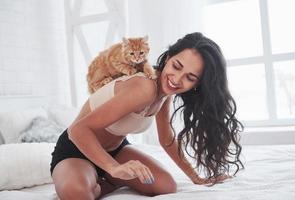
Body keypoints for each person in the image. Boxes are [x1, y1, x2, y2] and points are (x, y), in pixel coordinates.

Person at [50, 32, 244, 200]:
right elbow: (78, 130)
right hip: (77, 148)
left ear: (197, 85)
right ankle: (97, 180)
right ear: (168, 57)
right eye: (176, 66)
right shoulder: (144, 87)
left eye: (190, 77)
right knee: (77, 193)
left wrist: (196, 178)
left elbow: (166, 138)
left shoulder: (164, 93)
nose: (177, 79)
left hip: (115, 150)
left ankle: (103, 179)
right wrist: (114, 168)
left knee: (166, 186)